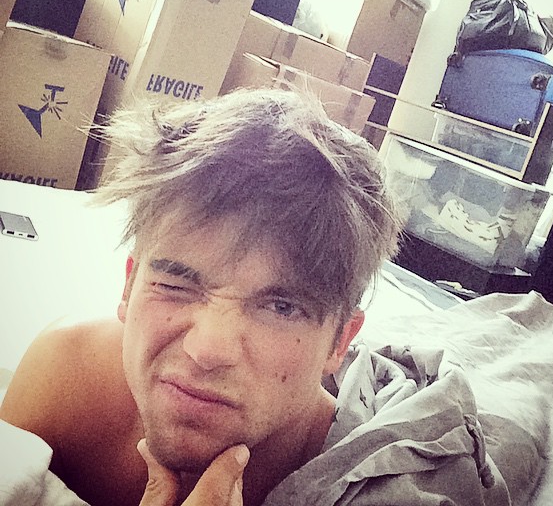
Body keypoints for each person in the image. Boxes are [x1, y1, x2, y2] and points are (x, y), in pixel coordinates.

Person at [0, 87, 407, 506]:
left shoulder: (369, 487)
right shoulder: (63, 380)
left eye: (282, 308)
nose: (207, 351)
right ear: (130, 284)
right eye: (175, 286)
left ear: (340, 341)